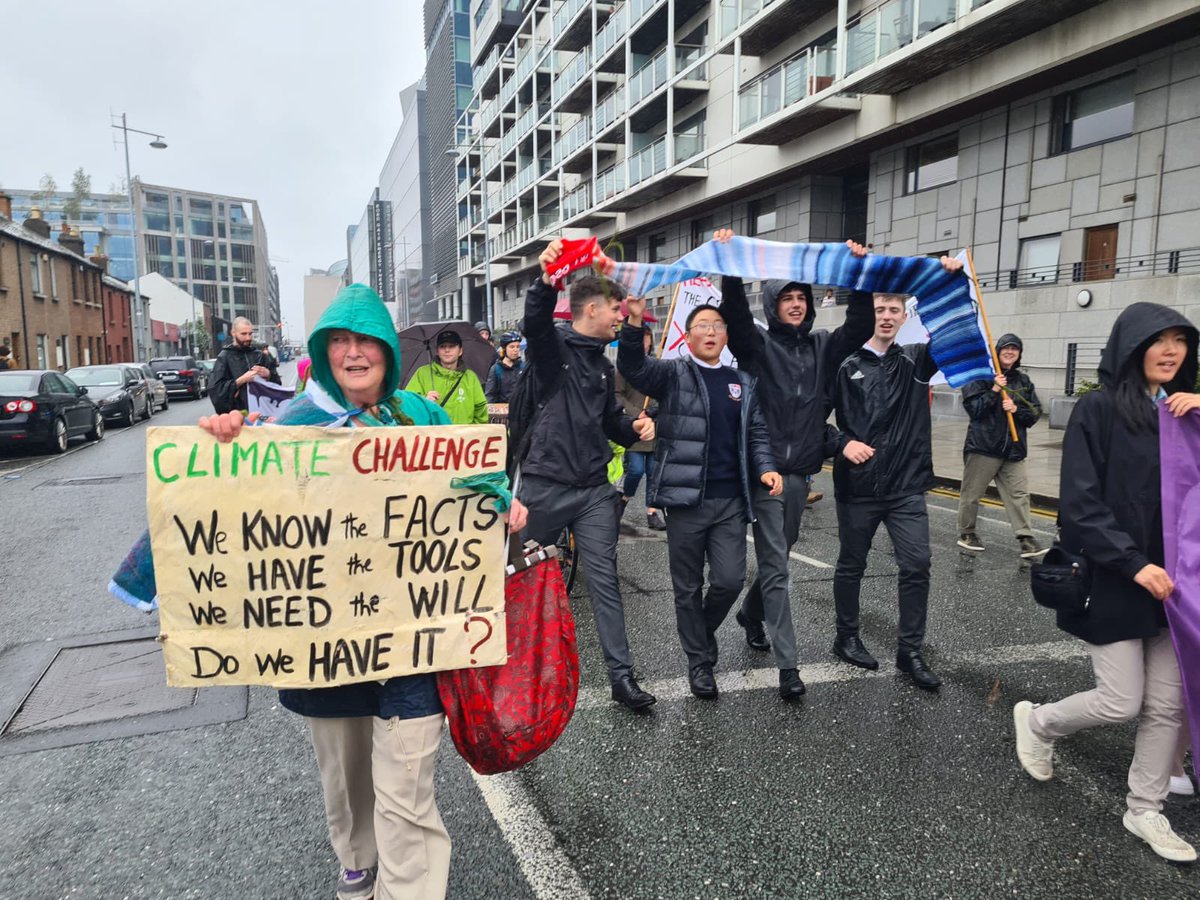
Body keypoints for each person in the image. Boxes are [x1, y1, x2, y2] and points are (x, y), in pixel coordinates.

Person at [197, 282, 527, 900]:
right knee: (347, 777)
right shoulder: (292, 422)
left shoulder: (422, 416)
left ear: (386, 351)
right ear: (323, 351)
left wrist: (503, 500)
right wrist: (226, 442)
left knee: (408, 785)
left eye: (366, 341)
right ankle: (356, 862)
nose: (353, 353)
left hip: (414, 638)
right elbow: (237, 508)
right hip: (328, 643)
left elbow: (473, 477)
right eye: (340, 341)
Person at [1013, 302, 1200, 863]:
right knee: (1121, 702)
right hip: (1118, 579)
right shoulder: (1097, 411)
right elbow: (1079, 506)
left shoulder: (1185, 414)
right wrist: (1134, 562)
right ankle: (1039, 722)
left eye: (1180, 341)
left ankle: (1145, 808)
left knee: (1167, 706)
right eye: (1158, 340)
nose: (1171, 351)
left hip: (1176, 588)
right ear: (1131, 346)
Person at [716, 230, 874, 689]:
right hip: (764, 473)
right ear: (772, 304)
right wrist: (729, 265)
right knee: (779, 567)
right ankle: (789, 665)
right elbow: (737, 320)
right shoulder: (757, 346)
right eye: (786, 297)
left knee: (777, 555)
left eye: (801, 296)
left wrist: (857, 274)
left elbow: (859, 328)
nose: (796, 303)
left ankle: (749, 613)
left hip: (801, 475)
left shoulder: (824, 346)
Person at [618, 300, 786, 698]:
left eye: (716, 326)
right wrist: (634, 321)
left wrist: (766, 466)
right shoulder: (672, 374)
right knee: (687, 587)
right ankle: (699, 661)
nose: (710, 332)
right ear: (688, 336)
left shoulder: (742, 382)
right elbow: (633, 367)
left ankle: (702, 631)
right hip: (686, 499)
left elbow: (757, 432)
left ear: (725, 337)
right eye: (702, 325)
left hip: (730, 499)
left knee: (728, 581)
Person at [517, 239, 658, 711]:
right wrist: (545, 278)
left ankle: (622, 678)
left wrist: (632, 426)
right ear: (592, 308)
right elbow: (535, 320)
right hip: (543, 485)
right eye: (616, 310)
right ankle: (500, 670)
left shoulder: (602, 364)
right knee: (512, 576)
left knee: (605, 582)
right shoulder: (551, 349)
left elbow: (608, 422)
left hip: (594, 491)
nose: (620, 316)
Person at [828, 279, 961, 692]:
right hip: (859, 486)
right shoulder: (844, 361)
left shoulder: (917, 361)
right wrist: (842, 443)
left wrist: (948, 281)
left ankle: (910, 650)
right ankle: (846, 637)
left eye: (894, 311)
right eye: (880, 309)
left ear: (905, 317)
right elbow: (809, 419)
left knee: (917, 564)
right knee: (852, 565)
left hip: (906, 486)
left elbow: (953, 333)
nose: (886, 317)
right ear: (870, 313)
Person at [957, 334, 1046, 558]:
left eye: (1015, 349)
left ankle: (1025, 538)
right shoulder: (980, 377)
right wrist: (994, 391)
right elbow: (975, 410)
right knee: (972, 494)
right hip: (984, 447)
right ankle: (967, 533)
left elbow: (1035, 412)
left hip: (1013, 450)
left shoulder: (1023, 381)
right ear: (997, 352)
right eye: (1006, 348)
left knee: (1019, 494)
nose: (1010, 352)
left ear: (1019, 354)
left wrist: (1017, 409)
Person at [614, 323, 665, 530]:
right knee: (635, 470)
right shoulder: (623, 368)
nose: (643, 342)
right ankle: (624, 498)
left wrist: (651, 412)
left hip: (654, 426)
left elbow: (664, 394)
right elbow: (617, 394)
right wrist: (637, 413)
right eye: (639, 337)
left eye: (646, 337)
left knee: (654, 472)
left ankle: (652, 511)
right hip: (634, 428)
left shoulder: (657, 365)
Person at [405, 330, 488, 425]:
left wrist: (470, 434)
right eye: (442, 346)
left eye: (452, 346)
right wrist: (424, 401)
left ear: (460, 351)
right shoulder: (422, 373)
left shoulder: (470, 377)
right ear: (437, 351)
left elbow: (481, 412)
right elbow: (408, 404)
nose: (447, 350)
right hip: (434, 437)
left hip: (463, 438)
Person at [208, 317, 281, 414]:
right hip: (238, 417)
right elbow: (216, 391)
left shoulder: (260, 355)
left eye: (250, 334)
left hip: (262, 414)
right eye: (243, 334)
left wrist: (269, 374)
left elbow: (277, 386)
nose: (248, 338)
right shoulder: (224, 357)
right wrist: (240, 381)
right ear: (233, 333)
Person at [484, 331, 524, 404]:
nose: (515, 350)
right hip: (502, 411)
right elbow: (490, 395)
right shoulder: (496, 369)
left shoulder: (523, 367)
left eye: (518, 347)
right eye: (512, 347)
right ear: (504, 349)